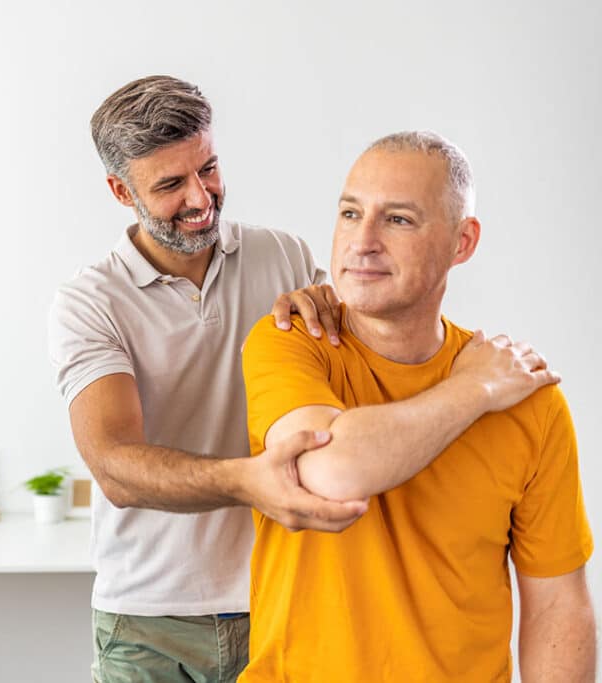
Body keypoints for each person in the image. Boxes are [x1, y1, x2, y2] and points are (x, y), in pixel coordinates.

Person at [240, 131, 595, 682]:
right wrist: (472, 390)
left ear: (462, 242)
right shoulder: (288, 341)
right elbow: (330, 469)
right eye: (351, 213)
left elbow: (557, 605)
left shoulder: (530, 402)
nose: (362, 241)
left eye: (398, 220)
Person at [48, 75, 366, 683]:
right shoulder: (90, 302)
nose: (201, 198)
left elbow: (356, 372)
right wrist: (252, 482)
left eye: (209, 169)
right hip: (147, 623)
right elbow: (115, 466)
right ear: (120, 190)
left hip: (281, 601)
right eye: (170, 185)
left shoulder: (285, 258)